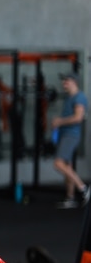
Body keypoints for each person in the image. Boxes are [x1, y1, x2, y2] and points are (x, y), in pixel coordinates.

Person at [52, 72, 90, 209]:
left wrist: (59, 121)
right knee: (67, 167)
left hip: (71, 135)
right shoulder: (69, 97)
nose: (64, 83)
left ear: (74, 81)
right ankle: (70, 198)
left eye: (66, 81)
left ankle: (84, 188)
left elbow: (78, 118)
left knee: (58, 163)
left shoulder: (79, 97)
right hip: (65, 135)